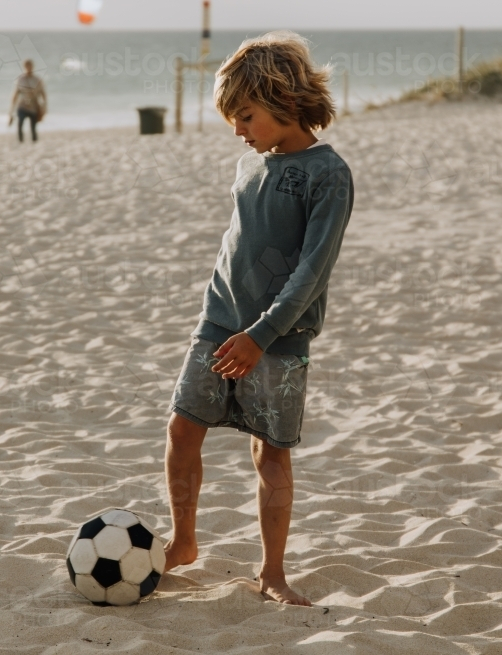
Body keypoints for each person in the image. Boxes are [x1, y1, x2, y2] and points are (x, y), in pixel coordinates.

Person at [163, 31, 354, 606]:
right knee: (181, 429)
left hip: (280, 337)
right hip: (219, 322)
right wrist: (222, 315)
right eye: (232, 121)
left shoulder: (328, 175)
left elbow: (311, 273)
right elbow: (236, 243)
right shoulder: (250, 165)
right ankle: (183, 541)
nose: (239, 131)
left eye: (245, 116)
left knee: (270, 453)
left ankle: (272, 571)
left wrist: (261, 334)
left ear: (286, 98)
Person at [9, 59, 46, 143]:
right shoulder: (20, 79)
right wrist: (11, 111)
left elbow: (43, 94)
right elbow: (15, 95)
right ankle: (20, 141)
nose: (28, 68)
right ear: (24, 67)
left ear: (32, 67)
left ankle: (34, 142)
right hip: (22, 105)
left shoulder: (37, 80)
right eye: (27, 66)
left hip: (33, 106)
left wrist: (44, 107)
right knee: (20, 124)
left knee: (33, 127)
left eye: (30, 66)